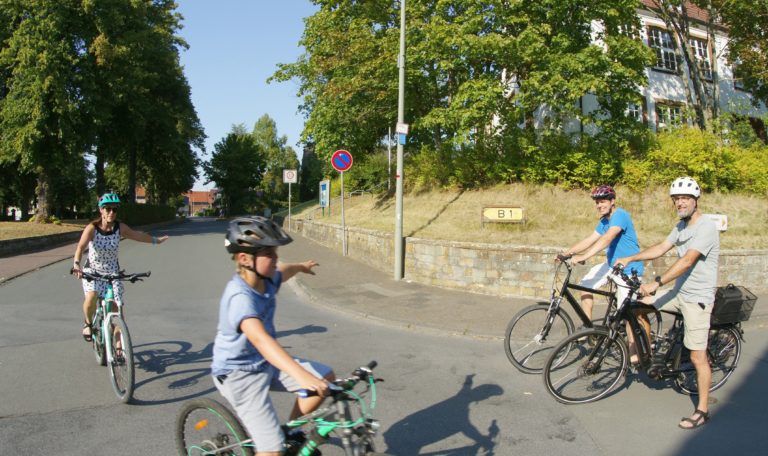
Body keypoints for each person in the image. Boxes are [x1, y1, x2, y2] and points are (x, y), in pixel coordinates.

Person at [212, 216, 334, 455]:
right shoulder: (240, 297)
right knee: (272, 450)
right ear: (246, 259)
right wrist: (301, 375)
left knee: (324, 377)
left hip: (264, 363)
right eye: (270, 253)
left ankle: (289, 431)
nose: (276, 258)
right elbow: (261, 340)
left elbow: (283, 271)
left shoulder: (266, 280)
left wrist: (301, 266)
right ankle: (274, 445)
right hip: (239, 375)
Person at [617, 176, 719, 430]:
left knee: (698, 357)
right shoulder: (681, 226)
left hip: (697, 299)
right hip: (679, 292)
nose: (680, 203)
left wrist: (657, 282)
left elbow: (687, 261)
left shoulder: (706, 227)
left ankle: (703, 410)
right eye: (676, 199)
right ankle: (648, 355)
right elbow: (662, 247)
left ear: (696, 200)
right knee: (637, 306)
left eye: (684, 198)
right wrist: (630, 258)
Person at [72, 192, 168, 341]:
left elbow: (137, 235)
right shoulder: (92, 228)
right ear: (101, 210)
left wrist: (156, 241)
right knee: (91, 297)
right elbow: (80, 248)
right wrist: (76, 264)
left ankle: (119, 349)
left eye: (114, 209)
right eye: (108, 208)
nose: (111, 212)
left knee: (117, 310)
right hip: (93, 271)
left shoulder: (119, 227)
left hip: (112, 271)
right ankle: (88, 323)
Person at [560, 185, 644, 322]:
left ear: (612, 201)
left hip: (629, 270)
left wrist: (584, 256)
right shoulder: (605, 221)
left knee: (628, 316)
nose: (599, 205)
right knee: (585, 285)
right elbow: (590, 239)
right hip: (612, 266)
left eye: (603, 201)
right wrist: (566, 253)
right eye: (597, 202)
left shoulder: (620, 215)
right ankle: (588, 328)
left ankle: (640, 342)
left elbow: (607, 238)